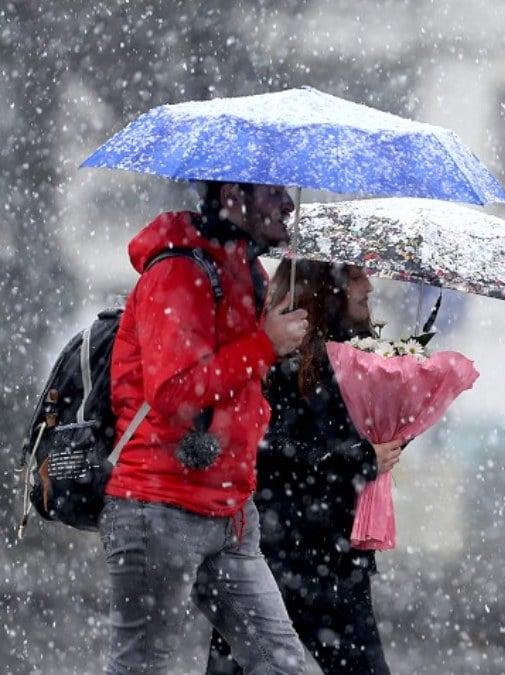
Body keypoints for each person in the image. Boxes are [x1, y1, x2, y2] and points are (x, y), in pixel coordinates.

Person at [102, 181, 309, 674]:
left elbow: (236, 383)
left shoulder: (245, 271)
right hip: (159, 506)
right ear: (234, 195)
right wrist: (264, 345)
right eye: (272, 192)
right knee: (142, 667)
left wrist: (278, 349)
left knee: (280, 664)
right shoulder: (178, 271)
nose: (287, 203)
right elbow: (173, 392)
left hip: (231, 511)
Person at [206, 259, 402, 675]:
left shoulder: (359, 356)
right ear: (324, 287)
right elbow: (268, 451)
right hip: (272, 554)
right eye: (355, 276)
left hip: (334, 558)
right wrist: (358, 459)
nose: (368, 285)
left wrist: (392, 435)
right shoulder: (276, 356)